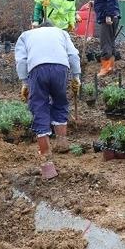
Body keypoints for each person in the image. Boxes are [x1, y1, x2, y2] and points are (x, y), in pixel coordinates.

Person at [15, 21, 81, 180]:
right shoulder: (61, 33)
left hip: (37, 69)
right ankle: (62, 143)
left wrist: (24, 81)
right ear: (52, 27)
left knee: (39, 106)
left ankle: (46, 156)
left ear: (38, 28)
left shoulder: (26, 35)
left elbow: (21, 60)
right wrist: (76, 76)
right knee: (60, 102)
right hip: (60, 68)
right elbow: (73, 55)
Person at [86, 0, 120, 76]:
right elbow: (104, 1)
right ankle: (110, 67)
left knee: (105, 43)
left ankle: (106, 69)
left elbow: (111, 0)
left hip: (108, 18)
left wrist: (109, 15)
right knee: (110, 43)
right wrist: (94, 3)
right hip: (109, 16)